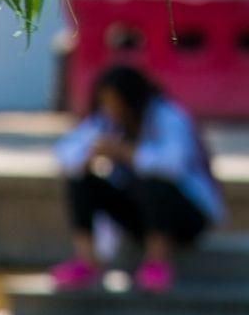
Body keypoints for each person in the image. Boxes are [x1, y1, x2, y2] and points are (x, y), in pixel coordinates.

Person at [53, 64, 223, 292]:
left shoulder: (169, 116)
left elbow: (172, 165)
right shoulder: (107, 121)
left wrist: (125, 152)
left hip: (185, 215)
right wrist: (87, 157)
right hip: (139, 216)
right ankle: (88, 261)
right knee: (81, 181)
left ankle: (157, 263)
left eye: (116, 103)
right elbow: (65, 153)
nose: (112, 109)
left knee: (154, 182)